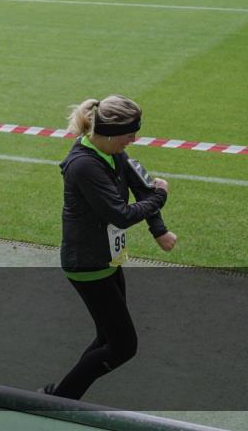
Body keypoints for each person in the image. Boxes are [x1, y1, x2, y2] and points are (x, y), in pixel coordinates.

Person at [46, 95, 177, 400]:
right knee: (122, 346)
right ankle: (59, 400)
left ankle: (59, 397)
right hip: (88, 265)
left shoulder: (114, 152)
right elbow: (121, 213)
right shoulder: (83, 166)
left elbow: (142, 187)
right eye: (130, 134)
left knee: (108, 337)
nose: (135, 139)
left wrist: (159, 229)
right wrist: (160, 196)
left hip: (107, 259)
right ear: (109, 133)